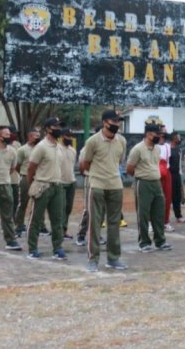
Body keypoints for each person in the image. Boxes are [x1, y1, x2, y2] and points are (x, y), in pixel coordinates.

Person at [81, 110, 127, 272]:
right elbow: (85, 163)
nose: (117, 124)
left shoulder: (121, 141)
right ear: (105, 122)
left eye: (119, 122)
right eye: (114, 121)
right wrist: (96, 175)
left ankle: (113, 258)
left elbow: (120, 160)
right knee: (95, 223)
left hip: (116, 185)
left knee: (114, 223)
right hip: (97, 185)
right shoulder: (93, 141)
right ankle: (93, 259)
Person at [26, 118, 67, 260]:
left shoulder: (59, 146)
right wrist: (33, 184)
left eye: (59, 126)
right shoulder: (41, 147)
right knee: (36, 219)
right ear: (48, 129)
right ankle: (32, 248)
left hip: (57, 186)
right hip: (42, 186)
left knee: (57, 220)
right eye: (56, 126)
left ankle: (58, 248)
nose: (59, 129)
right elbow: (31, 168)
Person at [126, 123, 171, 253]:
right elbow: (129, 168)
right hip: (143, 183)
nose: (159, 137)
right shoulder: (137, 149)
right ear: (148, 134)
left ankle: (160, 241)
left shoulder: (157, 149)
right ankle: (144, 242)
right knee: (143, 213)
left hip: (156, 183)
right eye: (157, 134)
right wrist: (141, 176)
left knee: (159, 213)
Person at [14, 128, 40, 236]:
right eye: (36, 136)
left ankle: (38, 226)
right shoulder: (22, 150)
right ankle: (19, 226)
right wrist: (24, 175)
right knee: (23, 203)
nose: (38, 138)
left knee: (38, 203)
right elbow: (17, 166)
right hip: (25, 177)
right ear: (30, 136)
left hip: (38, 178)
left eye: (39, 136)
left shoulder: (40, 148)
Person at [57, 128, 77, 241]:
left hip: (71, 182)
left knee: (68, 208)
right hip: (60, 182)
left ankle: (64, 230)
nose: (69, 138)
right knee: (61, 208)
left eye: (70, 136)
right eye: (67, 136)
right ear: (62, 136)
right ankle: (59, 231)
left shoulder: (73, 150)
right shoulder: (57, 149)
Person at [156, 124, 174, 232]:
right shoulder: (153, 146)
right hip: (155, 174)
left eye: (165, 131)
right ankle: (151, 222)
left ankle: (165, 222)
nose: (165, 133)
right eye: (163, 131)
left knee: (167, 199)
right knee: (154, 199)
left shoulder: (168, 146)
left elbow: (168, 161)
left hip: (166, 173)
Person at [168, 132, 185, 223]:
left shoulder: (179, 149)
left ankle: (178, 216)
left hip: (177, 175)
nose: (179, 139)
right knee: (166, 197)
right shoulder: (167, 148)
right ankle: (164, 218)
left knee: (177, 196)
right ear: (174, 138)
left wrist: (180, 174)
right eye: (178, 137)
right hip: (168, 175)